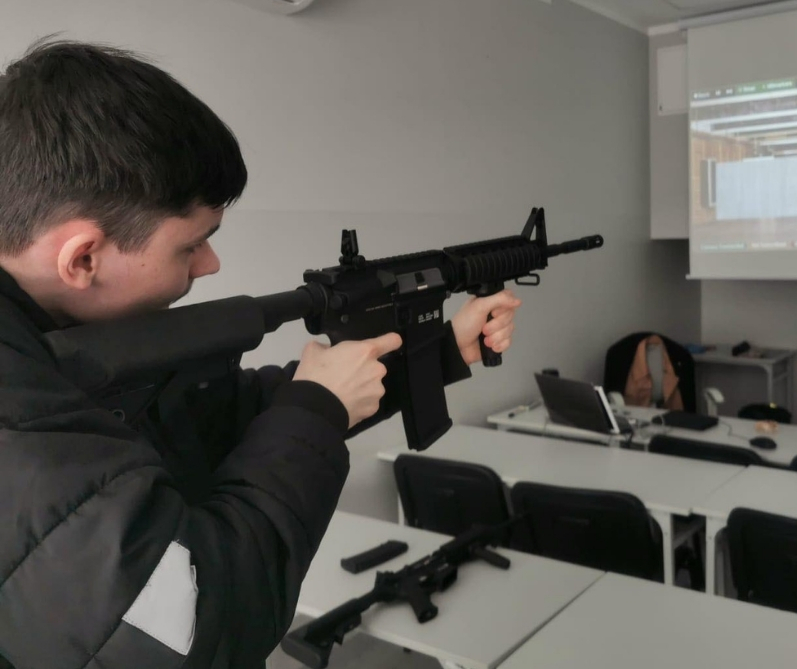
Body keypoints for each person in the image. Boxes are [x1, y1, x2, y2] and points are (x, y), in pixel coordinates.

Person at [0, 40, 522, 669]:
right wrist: (316, 411)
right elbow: (205, 624)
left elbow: (205, 420)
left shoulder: (41, 353)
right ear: (82, 258)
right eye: (190, 246)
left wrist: (436, 357)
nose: (210, 264)